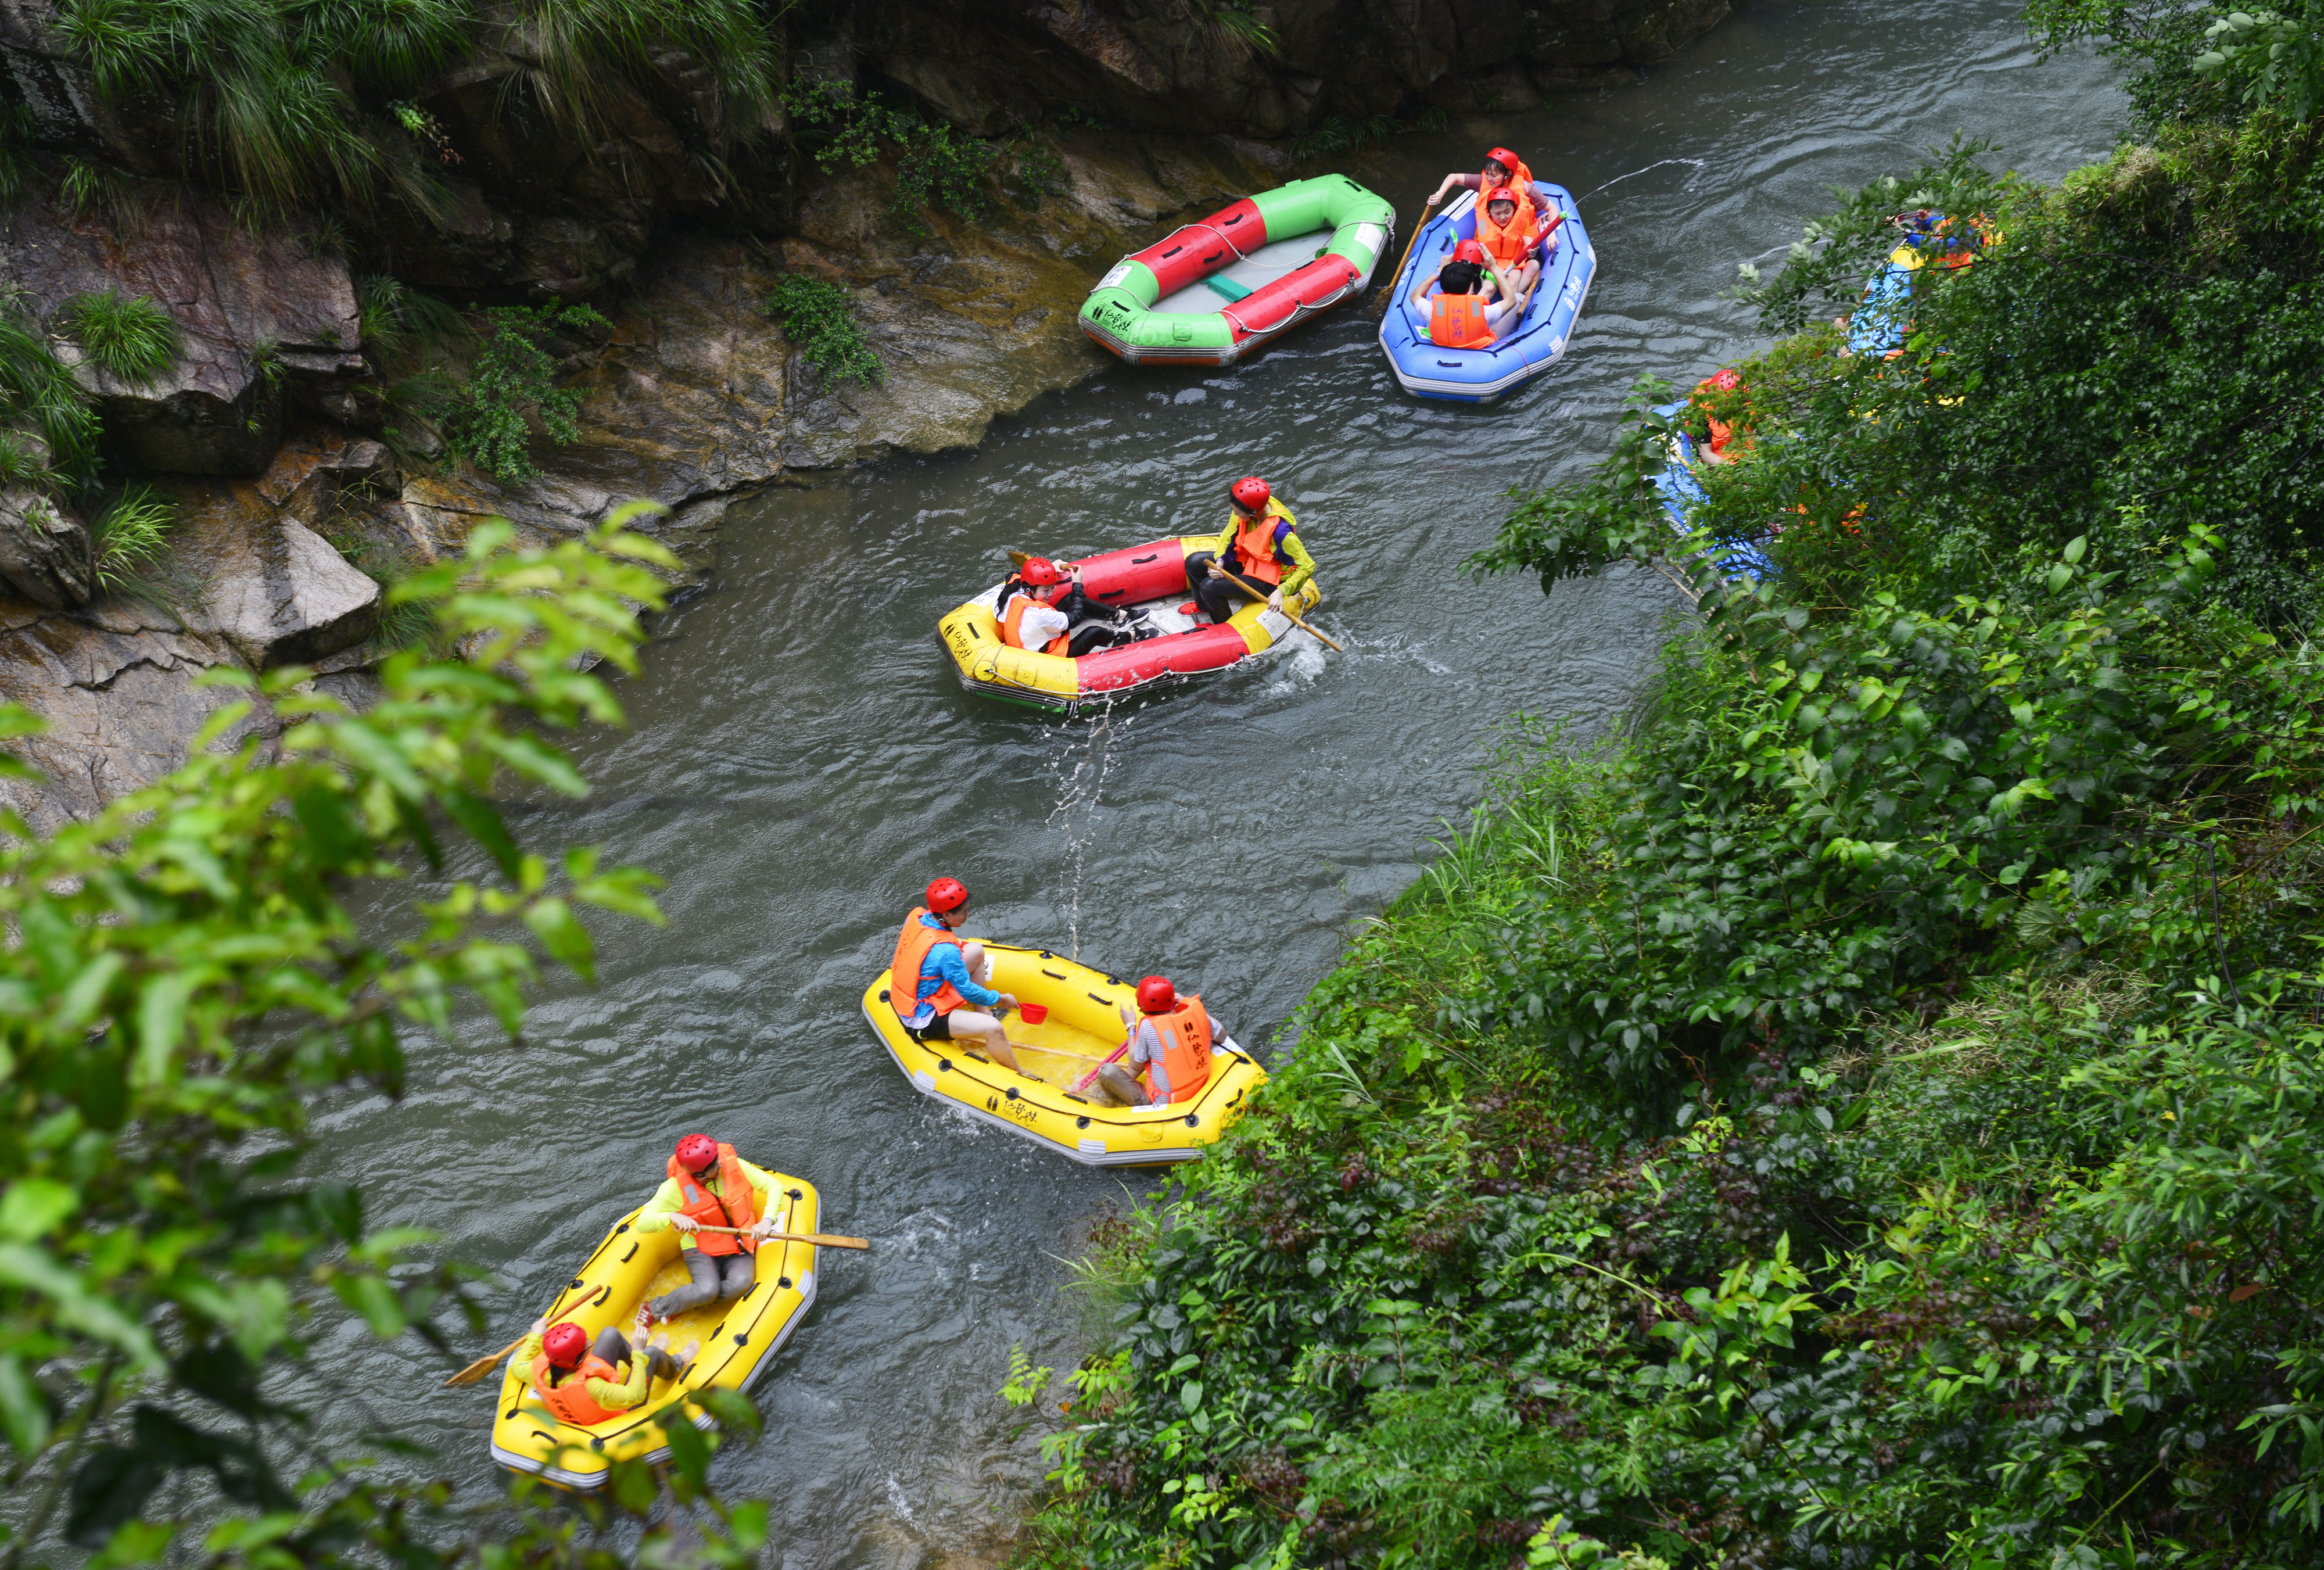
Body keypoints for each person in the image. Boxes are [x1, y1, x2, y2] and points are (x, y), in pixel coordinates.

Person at [888, 876, 1031, 1074]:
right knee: (993, 1029)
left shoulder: (921, 918)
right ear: (946, 915)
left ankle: (983, 1012)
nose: (968, 915)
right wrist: (1000, 999)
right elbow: (968, 991)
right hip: (922, 1018)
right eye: (963, 912)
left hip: (919, 992)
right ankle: (1020, 1074)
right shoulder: (946, 952)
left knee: (977, 951)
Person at [634, 1134, 783, 1318]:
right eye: (714, 1166)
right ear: (699, 1175)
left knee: (741, 1283)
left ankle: (692, 1301)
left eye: (717, 1160)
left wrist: (768, 1219)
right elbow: (643, 1223)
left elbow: (774, 1186)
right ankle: (657, 1309)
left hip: (738, 1243)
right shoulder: (673, 1189)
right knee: (707, 1291)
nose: (720, 1165)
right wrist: (670, 1216)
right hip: (700, 1247)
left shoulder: (731, 1165)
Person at [519, 1307, 695, 1426]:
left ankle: (653, 1360)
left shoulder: (539, 1370)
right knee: (650, 1354)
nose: (590, 1342)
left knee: (610, 1334)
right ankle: (676, 1364)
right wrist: (638, 1353)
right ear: (577, 1360)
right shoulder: (594, 1386)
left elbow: (518, 1365)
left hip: (585, 1395)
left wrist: (534, 1336)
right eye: (587, 1345)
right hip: (618, 1415)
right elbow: (635, 1396)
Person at [1183, 476, 1318, 626]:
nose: (1234, 514)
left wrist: (1281, 591)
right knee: (1193, 562)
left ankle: (1223, 626)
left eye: (1237, 512)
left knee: (1209, 587)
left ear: (1254, 512)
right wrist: (1221, 561)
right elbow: (1228, 537)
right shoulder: (1246, 508)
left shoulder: (1282, 534)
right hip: (1247, 562)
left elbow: (1308, 566)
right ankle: (1204, 609)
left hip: (1270, 581)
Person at [1095, 975, 1214, 1109]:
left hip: (1164, 1105)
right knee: (1150, 1056)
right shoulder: (1194, 1014)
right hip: (1200, 1089)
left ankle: (1109, 1102)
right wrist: (1186, 1002)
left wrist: (1131, 1027)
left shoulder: (1149, 1028)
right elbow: (1221, 1035)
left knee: (1107, 1071)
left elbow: (1135, 1064)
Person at [998, 556, 1145, 658]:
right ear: (1030, 589)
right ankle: (1133, 637)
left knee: (1070, 599)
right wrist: (1077, 585)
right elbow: (1075, 619)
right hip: (1047, 658)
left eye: (1052, 588)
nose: (1050, 594)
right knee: (1094, 632)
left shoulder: (1014, 591)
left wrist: (1050, 569)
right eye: (1045, 590)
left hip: (1033, 639)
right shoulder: (1039, 615)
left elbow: (1012, 575)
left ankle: (1121, 617)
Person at [1410, 239, 1518, 349]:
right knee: (1519, 298)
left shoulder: (1433, 310)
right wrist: (1494, 267)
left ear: (1442, 285)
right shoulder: (1482, 312)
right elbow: (1511, 301)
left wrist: (1440, 270)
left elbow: (1415, 295)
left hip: (1443, 348)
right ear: (1469, 289)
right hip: (1478, 353)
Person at [1475, 185, 1561, 309]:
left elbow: (1529, 244)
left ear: (1514, 210)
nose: (1503, 217)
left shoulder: (1521, 221)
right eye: (1498, 214)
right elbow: (1480, 248)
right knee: (1488, 288)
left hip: (1514, 265)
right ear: (1489, 213)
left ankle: (1506, 315)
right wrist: (1490, 266)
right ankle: (1474, 315)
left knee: (1512, 284)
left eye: (1507, 212)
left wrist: (1532, 250)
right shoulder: (1483, 224)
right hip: (1491, 265)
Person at [1423, 146, 1540, 228]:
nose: (1489, 178)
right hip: (1490, 239)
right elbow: (1454, 177)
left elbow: (1551, 208)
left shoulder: (1525, 187)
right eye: (1487, 173)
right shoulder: (1484, 182)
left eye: (1494, 175)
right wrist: (1440, 193)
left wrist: (1552, 234)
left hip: (1520, 236)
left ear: (1508, 174)